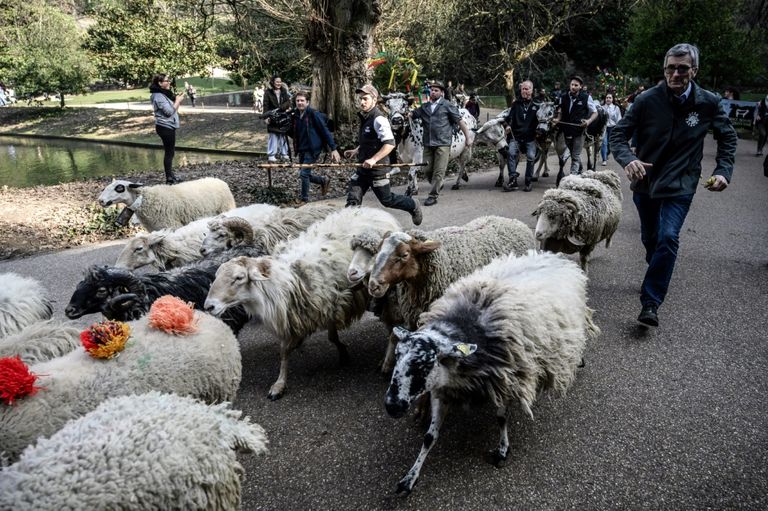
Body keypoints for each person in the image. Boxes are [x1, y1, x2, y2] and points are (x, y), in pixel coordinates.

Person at [610, 43, 737, 328]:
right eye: (671, 68)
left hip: (682, 183)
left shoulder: (708, 102)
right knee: (651, 239)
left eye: (682, 69)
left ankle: (650, 302)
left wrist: (723, 171)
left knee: (668, 238)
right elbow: (618, 134)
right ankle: (655, 260)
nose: (676, 74)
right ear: (664, 69)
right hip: (646, 183)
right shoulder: (646, 100)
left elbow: (727, 138)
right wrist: (629, 159)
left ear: (694, 70)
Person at [344, 84, 422, 226]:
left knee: (387, 200)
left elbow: (389, 144)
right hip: (363, 169)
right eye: (360, 99)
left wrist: (374, 159)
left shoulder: (379, 119)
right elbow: (371, 140)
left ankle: (412, 205)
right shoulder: (365, 117)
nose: (362, 102)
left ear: (374, 100)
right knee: (352, 200)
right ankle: (348, 228)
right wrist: (356, 150)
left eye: (365, 99)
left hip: (377, 170)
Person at [410, 80, 473, 206]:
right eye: (431, 90)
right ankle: (439, 183)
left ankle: (433, 195)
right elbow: (413, 114)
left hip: (443, 144)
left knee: (439, 171)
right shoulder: (425, 107)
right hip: (428, 143)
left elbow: (460, 121)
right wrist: (408, 114)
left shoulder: (447, 105)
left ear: (442, 93)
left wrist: (468, 137)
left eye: (436, 90)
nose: (433, 92)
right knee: (426, 169)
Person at [290, 91, 340, 203]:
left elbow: (325, 131)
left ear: (307, 102)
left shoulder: (314, 114)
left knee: (303, 174)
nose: (299, 103)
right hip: (302, 149)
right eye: (297, 101)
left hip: (312, 149)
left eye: (302, 100)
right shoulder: (296, 115)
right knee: (304, 174)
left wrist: (334, 148)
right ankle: (323, 180)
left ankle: (304, 200)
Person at [553, 75, 598, 178]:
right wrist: (557, 120)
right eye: (572, 84)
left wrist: (588, 121)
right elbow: (560, 111)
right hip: (566, 130)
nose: (573, 87)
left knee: (575, 155)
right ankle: (580, 170)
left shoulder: (586, 97)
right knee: (573, 154)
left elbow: (595, 113)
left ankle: (572, 178)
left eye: (576, 85)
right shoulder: (563, 96)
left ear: (580, 87)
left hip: (579, 131)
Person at [501, 79, 539, 192]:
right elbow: (507, 119)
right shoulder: (516, 104)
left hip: (530, 138)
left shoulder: (537, 105)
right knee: (511, 154)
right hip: (515, 137)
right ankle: (513, 180)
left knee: (531, 157)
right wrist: (507, 126)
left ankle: (528, 181)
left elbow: (542, 121)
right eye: (522, 89)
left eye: (527, 89)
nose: (524, 91)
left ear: (531, 90)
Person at [149, 73, 185, 184]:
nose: (169, 82)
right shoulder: (158, 96)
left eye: (169, 80)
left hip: (168, 125)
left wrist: (177, 100)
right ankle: (169, 178)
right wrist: (178, 101)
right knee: (169, 152)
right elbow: (169, 112)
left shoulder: (164, 94)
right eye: (166, 81)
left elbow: (172, 109)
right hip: (165, 126)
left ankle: (171, 176)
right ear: (160, 83)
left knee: (170, 152)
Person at [263, 75, 291, 162]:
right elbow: (265, 105)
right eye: (277, 82)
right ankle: (271, 154)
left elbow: (288, 101)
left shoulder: (284, 91)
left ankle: (284, 153)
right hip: (272, 116)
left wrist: (282, 107)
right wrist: (266, 117)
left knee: (283, 135)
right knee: (273, 135)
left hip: (282, 116)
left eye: (280, 82)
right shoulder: (268, 92)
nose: (279, 83)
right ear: (273, 82)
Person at [600, 93, 622, 166]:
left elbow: (619, 119)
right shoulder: (601, 108)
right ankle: (604, 159)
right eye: (607, 98)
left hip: (613, 127)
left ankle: (606, 153)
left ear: (612, 99)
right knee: (604, 143)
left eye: (610, 98)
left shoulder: (616, 108)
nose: (608, 99)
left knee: (610, 144)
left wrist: (618, 128)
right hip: (604, 128)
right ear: (605, 99)